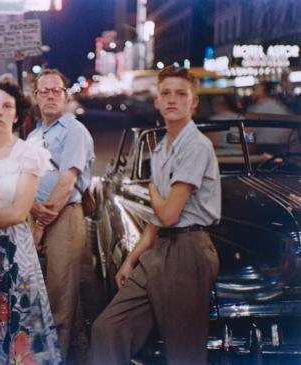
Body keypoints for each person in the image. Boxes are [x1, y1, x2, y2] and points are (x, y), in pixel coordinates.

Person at [89, 65, 221, 365]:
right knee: (107, 329)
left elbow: (170, 214)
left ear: (194, 102)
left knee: (182, 353)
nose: (172, 99)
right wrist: (133, 259)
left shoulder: (196, 146)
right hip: (160, 250)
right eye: (165, 93)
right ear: (157, 102)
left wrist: (153, 193)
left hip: (188, 251)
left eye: (181, 94)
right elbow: (158, 218)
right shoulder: (161, 149)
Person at [0, 81, 63, 364]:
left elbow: (18, 212)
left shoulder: (28, 154)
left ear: (17, 115)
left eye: (7, 106)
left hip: (13, 252)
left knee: (20, 326)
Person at [26, 69, 95, 362]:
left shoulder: (74, 130)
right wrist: (30, 208)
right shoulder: (33, 135)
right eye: (45, 91)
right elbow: (26, 182)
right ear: (36, 97)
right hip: (37, 218)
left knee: (60, 303)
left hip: (63, 219)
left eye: (57, 91)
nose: (51, 96)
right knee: (43, 301)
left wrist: (39, 227)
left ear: (66, 95)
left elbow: (67, 184)